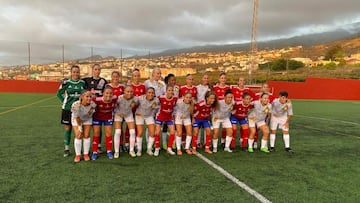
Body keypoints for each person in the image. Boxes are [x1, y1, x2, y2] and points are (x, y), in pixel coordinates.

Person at [56, 65, 86, 157]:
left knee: (80, 129)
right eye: (74, 72)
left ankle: (79, 149)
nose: (76, 73)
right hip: (68, 109)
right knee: (68, 128)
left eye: (77, 72)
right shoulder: (66, 83)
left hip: (80, 111)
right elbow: (58, 93)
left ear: (79, 73)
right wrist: (63, 101)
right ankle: (67, 148)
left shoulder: (83, 83)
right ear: (71, 72)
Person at [82, 64, 108, 154]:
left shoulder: (103, 81)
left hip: (99, 107)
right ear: (93, 70)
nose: (97, 71)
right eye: (95, 69)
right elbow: (78, 82)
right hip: (88, 107)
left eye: (98, 69)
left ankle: (99, 146)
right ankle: (86, 146)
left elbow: (107, 92)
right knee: (87, 127)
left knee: (98, 127)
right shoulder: (87, 80)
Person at [91, 86, 117, 160]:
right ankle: (94, 152)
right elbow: (88, 102)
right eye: (107, 93)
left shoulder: (115, 98)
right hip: (97, 117)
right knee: (96, 133)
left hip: (108, 117)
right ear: (103, 93)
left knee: (108, 133)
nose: (109, 95)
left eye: (110, 93)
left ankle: (109, 151)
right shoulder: (96, 99)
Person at [71, 90, 96, 162]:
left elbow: (89, 114)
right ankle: (78, 155)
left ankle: (86, 154)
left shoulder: (93, 105)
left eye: (90, 96)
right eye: (87, 96)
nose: (89, 98)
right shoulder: (76, 105)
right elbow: (77, 117)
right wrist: (80, 127)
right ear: (81, 97)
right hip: (76, 119)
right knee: (78, 135)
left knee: (87, 135)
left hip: (87, 119)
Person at [114, 85, 138, 158]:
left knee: (132, 132)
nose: (129, 93)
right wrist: (118, 113)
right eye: (127, 91)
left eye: (131, 92)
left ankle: (131, 150)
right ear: (124, 91)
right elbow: (114, 106)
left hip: (128, 114)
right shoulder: (119, 98)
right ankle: (116, 151)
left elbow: (131, 107)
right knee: (118, 132)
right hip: (119, 114)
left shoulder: (135, 99)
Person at [153, 85, 178, 156]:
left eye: (171, 90)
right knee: (157, 132)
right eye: (169, 90)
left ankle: (169, 148)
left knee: (172, 132)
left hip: (169, 117)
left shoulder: (175, 99)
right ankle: (157, 148)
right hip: (160, 116)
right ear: (166, 91)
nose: (170, 92)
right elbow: (154, 102)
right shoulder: (161, 98)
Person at [135, 87, 160, 156]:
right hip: (139, 115)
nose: (151, 94)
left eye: (152, 93)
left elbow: (153, 107)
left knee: (152, 132)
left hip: (149, 115)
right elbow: (133, 104)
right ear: (146, 93)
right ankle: (139, 149)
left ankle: (149, 149)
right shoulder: (140, 98)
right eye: (149, 92)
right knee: (140, 132)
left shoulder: (156, 100)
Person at [161, 73, 179, 150]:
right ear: (168, 81)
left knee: (174, 127)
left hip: (174, 110)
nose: (174, 81)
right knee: (165, 127)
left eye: (174, 80)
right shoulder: (164, 88)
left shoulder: (177, 88)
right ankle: (164, 142)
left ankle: (173, 142)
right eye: (172, 80)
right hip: (165, 110)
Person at [213, 72, 230, 147]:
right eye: (222, 78)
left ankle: (223, 141)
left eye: (224, 78)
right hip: (216, 112)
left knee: (225, 128)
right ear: (219, 79)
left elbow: (230, 99)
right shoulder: (215, 88)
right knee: (215, 130)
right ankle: (214, 145)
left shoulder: (228, 88)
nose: (223, 79)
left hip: (225, 112)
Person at [196, 74, 211, 148]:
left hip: (207, 109)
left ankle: (206, 142)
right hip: (199, 109)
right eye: (204, 78)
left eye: (207, 78)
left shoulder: (210, 88)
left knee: (206, 126)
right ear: (202, 79)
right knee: (198, 126)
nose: (206, 79)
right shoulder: (197, 87)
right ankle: (198, 142)